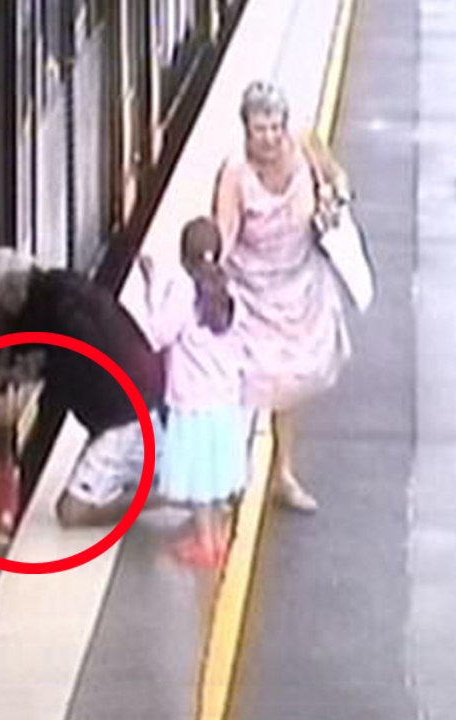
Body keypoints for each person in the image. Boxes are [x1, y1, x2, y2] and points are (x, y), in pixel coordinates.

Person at [213, 80, 351, 514]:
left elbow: (338, 177)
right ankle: (228, 479)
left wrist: (337, 199)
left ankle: (283, 474)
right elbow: (223, 237)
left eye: (275, 127)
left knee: (288, 387)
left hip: (300, 289)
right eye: (260, 129)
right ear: (245, 130)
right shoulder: (234, 174)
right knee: (243, 389)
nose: (269, 137)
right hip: (251, 295)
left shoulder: (305, 145)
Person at [0, 248, 165, 527]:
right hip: (145, 394)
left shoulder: (56, 318)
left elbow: (56, 391)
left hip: (125, 414)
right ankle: (156, 470)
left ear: (11, 296)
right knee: (133, 464)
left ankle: (170, 493)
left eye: (1, 307)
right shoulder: (63, 287)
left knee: (70, 512)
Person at [139, 219, 249, 567]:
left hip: (193, 401)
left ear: (183, 256)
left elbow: (158, 334)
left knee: (201, 478)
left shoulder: (183, 292)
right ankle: (215, 536)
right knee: (216, 475)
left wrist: (151, 286)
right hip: (226, 399)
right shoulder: (231, 289)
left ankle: (206, 544)